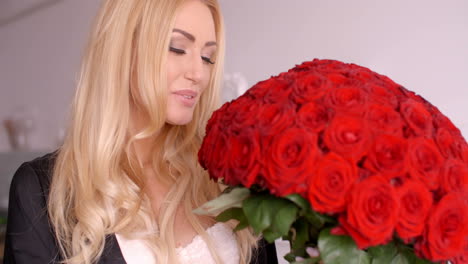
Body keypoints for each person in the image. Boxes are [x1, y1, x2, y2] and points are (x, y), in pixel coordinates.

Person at [3, 0, 278, 263]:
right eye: (177, 48)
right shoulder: (41, 191)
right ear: (122, 50)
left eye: (208, 57)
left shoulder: (230, 173)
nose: (199, 73)